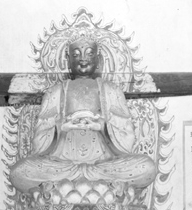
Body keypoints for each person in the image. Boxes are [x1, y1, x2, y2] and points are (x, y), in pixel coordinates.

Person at [10, 35, 156, 194]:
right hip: (64, 166)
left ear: (98, 59)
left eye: (89, 54)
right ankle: (103, 186)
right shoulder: (55, 92)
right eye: (76, 54)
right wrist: (60, 128)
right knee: (19, 172)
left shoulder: (112, 90)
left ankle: (63, 187)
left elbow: (126, 141)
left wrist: (103, 127)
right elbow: (40, 145)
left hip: (102, 165)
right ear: (68, 60)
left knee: (147, 167)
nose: (83, 59)